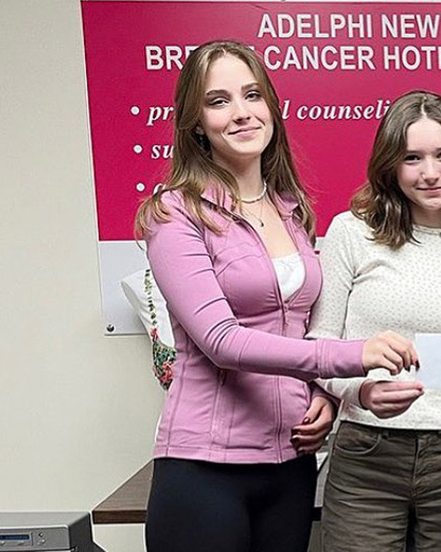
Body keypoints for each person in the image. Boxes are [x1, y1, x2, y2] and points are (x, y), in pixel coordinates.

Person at [135, 40, 415, 552]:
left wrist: (324, 394)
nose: (241, 113)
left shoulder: (292, 210)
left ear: (272, 106)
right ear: (195, 122)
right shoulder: (174, 214)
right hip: (205, 468)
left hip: (290, 463)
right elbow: (223, 341)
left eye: (252, 95)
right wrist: (351, 359)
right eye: (218, 101)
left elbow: (304, 327)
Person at [307, 90, 441, 552]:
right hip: (366, 455)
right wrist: (358, 391)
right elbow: (319, 344)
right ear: (389, 166)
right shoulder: (350, 232)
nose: (431, 173)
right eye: (412, 158)